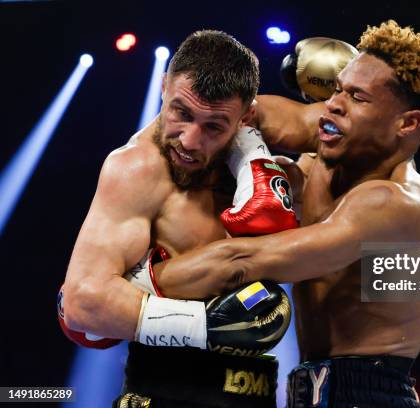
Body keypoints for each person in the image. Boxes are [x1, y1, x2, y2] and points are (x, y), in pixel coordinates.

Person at [147, 20, 420, 407]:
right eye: (338, 89)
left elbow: (244, 261)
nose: (333, 104)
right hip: (311, 387)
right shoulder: (332, 152)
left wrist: (129, 292)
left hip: (370, 394)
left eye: (358, 98)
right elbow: (248, 113)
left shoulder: (395, 202)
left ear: (407, 122)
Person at [59, 29, 298, 408]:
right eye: (181, 113)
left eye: (213, 127)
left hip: (257, 394)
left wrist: (253, 155)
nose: (189, 139)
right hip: (163, 393)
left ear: (246, 116)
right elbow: (81, 303)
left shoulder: (270, 176)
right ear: (163, 85)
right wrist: (207, 326)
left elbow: (337, 128)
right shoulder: (136, 169)